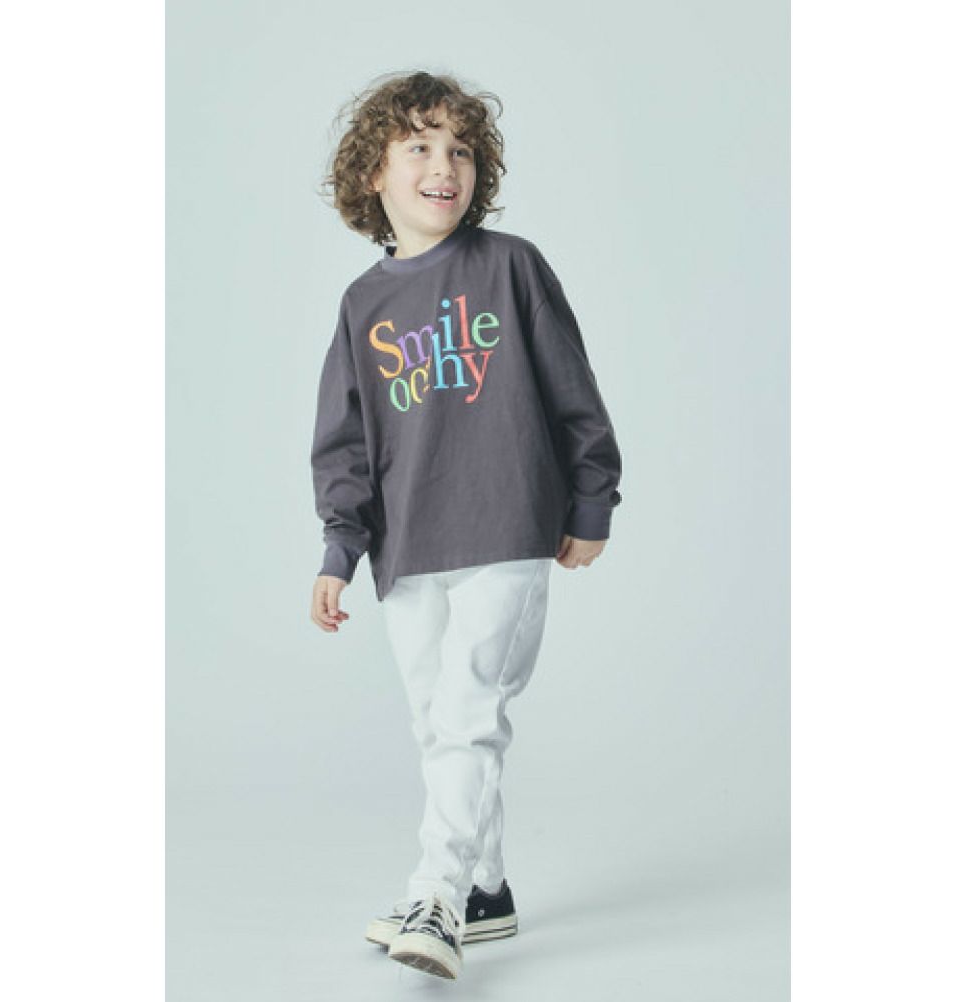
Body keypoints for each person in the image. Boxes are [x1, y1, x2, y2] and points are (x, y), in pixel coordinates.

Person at [308, 69, 623, 981]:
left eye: (461, 149)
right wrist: (339, 547)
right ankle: (485, 889)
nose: (444, 165)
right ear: (374, 172)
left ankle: (436, 895)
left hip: (507, 525)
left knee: (469, 711)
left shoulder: (511, 266)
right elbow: (345, 443)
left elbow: (574, 391)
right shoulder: (363, 305)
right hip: (409, 544)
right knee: (436, 722)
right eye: (419, 146)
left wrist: (591, 500)